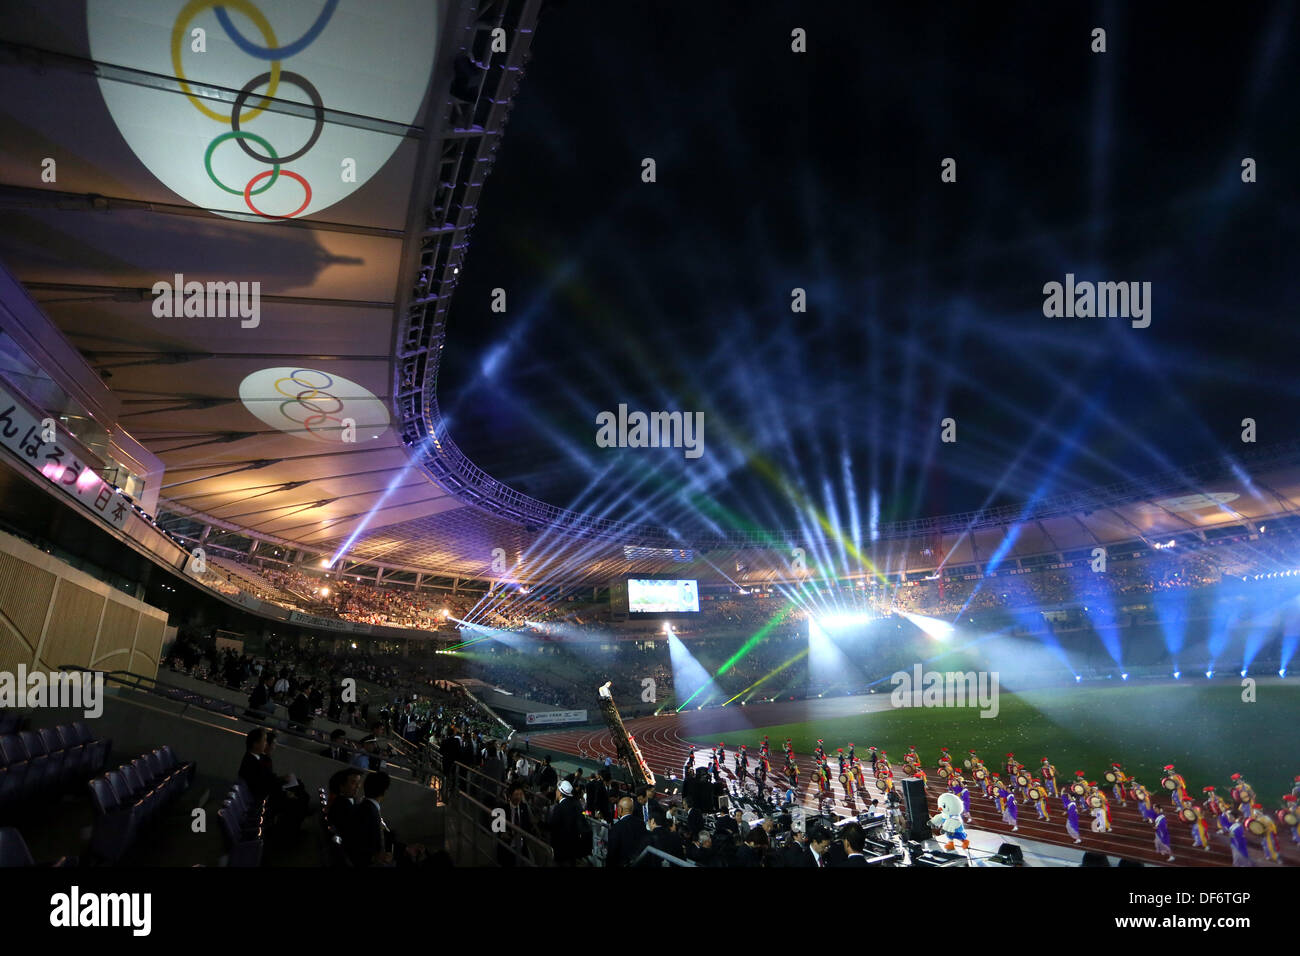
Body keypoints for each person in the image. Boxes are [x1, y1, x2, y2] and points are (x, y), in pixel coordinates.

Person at [549, 780, 589, 866]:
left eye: (557, 790)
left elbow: (554, 828)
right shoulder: (576, 805)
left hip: (561, 850)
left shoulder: (559, 808)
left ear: (560, 793)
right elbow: (583, 817)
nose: (555, 792)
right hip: (574, 849)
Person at [606, 796, 647, 867]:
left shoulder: (616, 827)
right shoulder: (641, 823)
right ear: (632, 809)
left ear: (620, 809)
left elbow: (612, 853)